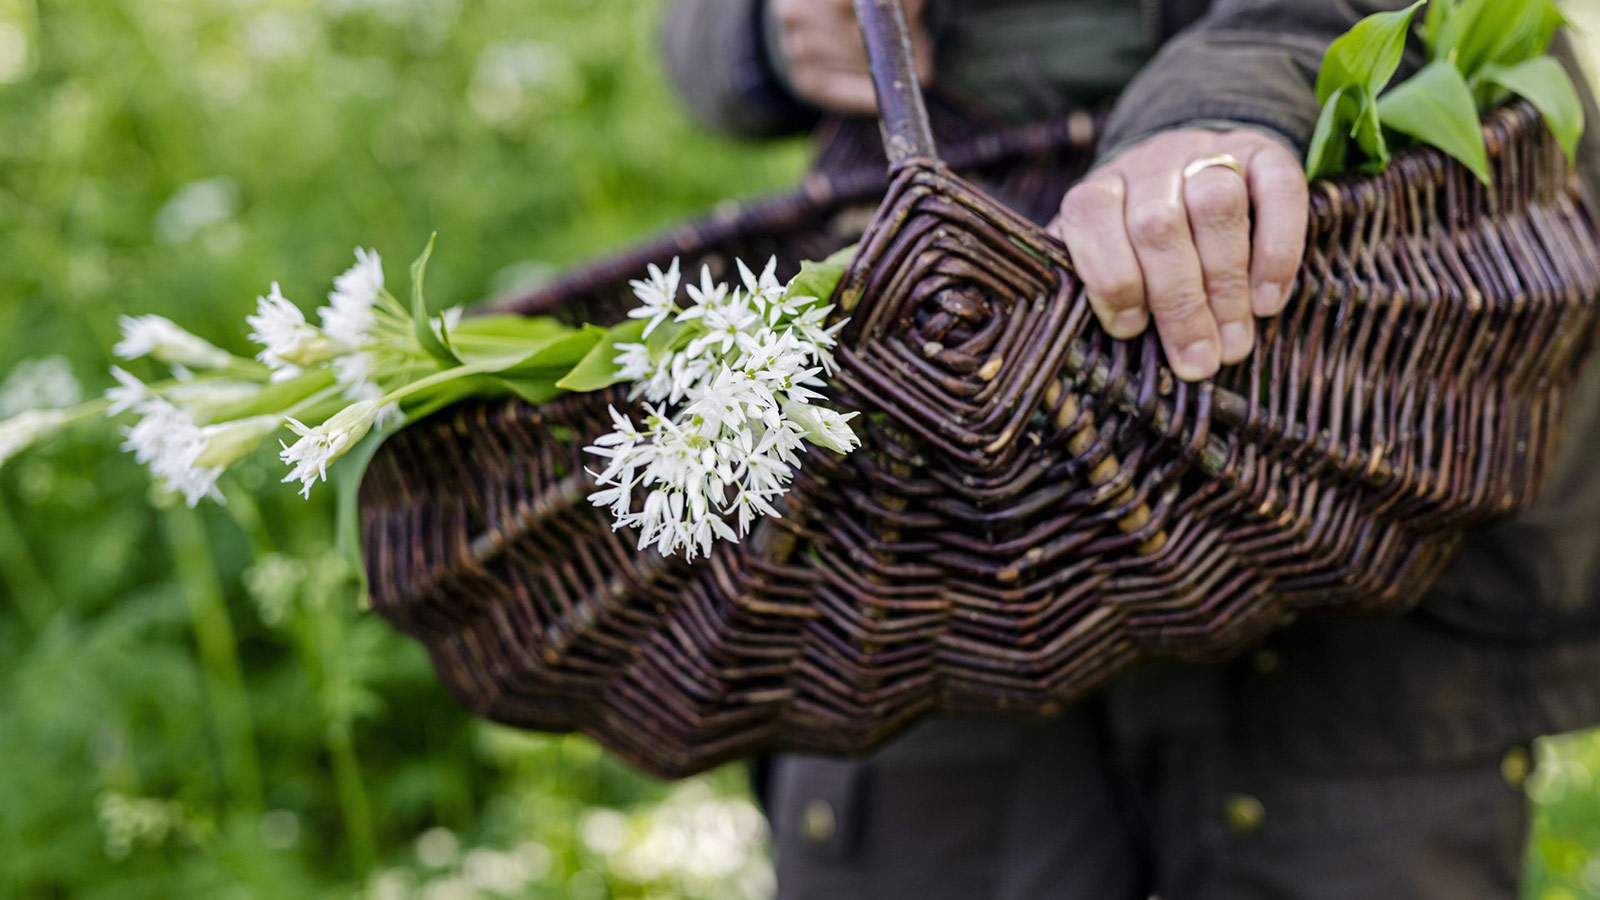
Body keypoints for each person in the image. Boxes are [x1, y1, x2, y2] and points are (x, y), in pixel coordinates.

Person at [662, 2, 1600, 898]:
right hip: (928, 542)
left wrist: (1229, 106)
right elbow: (688, 43)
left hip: (1350, 494)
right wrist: (759, 32)